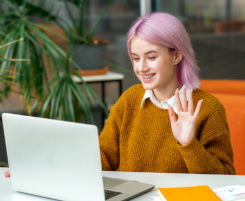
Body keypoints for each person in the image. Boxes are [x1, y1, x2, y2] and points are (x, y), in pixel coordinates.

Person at [4, 12, 235, 177]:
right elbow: (102, 157)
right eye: (136, 58)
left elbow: (225, 180)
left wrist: (188, 144)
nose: (141, 68)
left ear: (176, 55)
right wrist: (40, 169)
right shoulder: (130, 100)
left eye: (151, 57)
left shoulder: (207, 108)